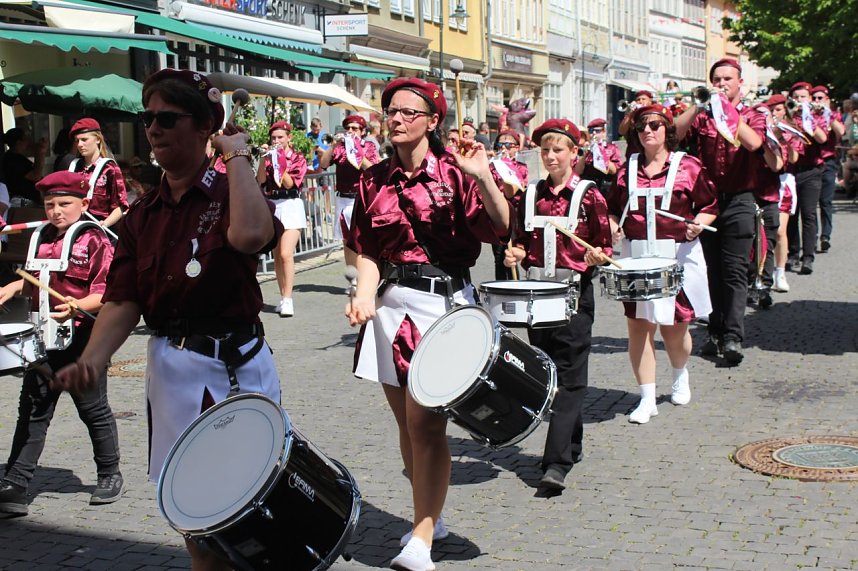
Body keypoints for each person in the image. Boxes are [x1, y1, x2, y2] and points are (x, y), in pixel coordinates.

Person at [51, 68, 283, 571]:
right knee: (193, 511)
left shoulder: (231, 190)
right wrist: (93, 360)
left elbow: (249, 237)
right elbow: (123, 299)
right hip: (175, 369)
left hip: (239, 363)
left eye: (168, 119)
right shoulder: (142, 215)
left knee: (251, 506)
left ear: (203, 128)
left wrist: (238, 154)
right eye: (148, 118)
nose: (153, 129)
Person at [345, 77, 511, 571]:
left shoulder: (455, 172)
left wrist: (482, 177)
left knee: (426, 424)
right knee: (406, 423)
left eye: (407, 113)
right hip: (392, 307)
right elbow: (367, 249)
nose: (394, 119)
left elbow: (500, 226)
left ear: (432, 121)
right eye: (389, 111)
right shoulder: (370, 179)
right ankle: (426, 514)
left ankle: (421, 539)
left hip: (443, 308)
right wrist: (362, 291)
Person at [0, 170, 122, 516]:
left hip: (85, 337)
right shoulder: (41, 237)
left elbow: (107, 292)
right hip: (43, 334)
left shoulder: (95, 239)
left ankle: (109, 473)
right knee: (34, 408)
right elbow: (33, 279)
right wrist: (12, 288)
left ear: (83, 204)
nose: (56, 211)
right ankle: (16, 483)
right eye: (50, 204)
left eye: (65, 204)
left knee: (92, 409)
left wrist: (76, 306)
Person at [503, 118, 612, 487]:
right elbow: (519, 240)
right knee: (550, 373)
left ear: (574, 154)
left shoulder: (590, 195)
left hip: (573, 297)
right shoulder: (528, 194)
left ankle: (556, 462)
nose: (550, 156)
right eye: (545, 150)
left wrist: (598, 256)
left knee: (570, 379)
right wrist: (514, 253)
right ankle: (573, 441)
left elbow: (604, 244)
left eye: (558, 150)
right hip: (536, 298)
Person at [604, 105, 718, 423]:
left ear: (668, 130)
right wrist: (614, 225)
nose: (648, 131)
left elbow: (709, 203)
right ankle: (647, 398)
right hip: (637, 255)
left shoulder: (689, 166)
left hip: (677, 254)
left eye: (655, 125)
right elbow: (614, 208)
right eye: (641, 126)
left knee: (674, 328)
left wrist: (698, 222)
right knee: (639, 328)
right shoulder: (627, 170)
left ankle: (680, 374)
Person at [674, 58, 779, 365]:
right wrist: (698, 105)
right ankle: (716, 330)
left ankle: (733, 336)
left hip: (741, 200)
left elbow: (754, 143)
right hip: (707, 203)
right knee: (712, 271)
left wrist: (726, 112)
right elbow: (675, 135)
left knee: (734, 271)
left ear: (739, 83)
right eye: (717, 79)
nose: (722, 84)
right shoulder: (703, 117)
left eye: (727, 79)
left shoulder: (752, 115)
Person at [256, 120, 308, 318]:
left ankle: (288, 299)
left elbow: (289, 184)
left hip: (291, 204)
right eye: (274, 138)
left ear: (289, 138)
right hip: (273, 204)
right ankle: (282, 296)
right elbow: (260, 180)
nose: (276, 141)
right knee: (277, 255)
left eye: (280, 137)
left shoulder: (297, 158)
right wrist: (263, 159)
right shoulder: (269, 158)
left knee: (286, 253)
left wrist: (280, 161)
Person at [319, 115, 380, 268]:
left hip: (360, 199)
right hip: (342, 198)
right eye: (348, 128)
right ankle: (352, 278)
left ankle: (363, 276)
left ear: (362, 131)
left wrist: (355, 149)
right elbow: (324, 164)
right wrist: (333, 145)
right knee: (346, 241)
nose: (350, 131)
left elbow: (371, 168)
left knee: (360, 240)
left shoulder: (368, 146)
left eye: (355, 128)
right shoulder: (340, 147)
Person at [785, 81, 829, 275]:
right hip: (792, 170)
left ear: (809, 99)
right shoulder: (788, 116)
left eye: (803, 97)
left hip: (812, 171)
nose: (799, 100)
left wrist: (806, 117)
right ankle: (793, 253)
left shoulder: (817, 116)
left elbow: (822, 138)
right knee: (792, 213)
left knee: (809, 214)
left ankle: (808, 257)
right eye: (796, 97)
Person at [68, 118, 129, 229]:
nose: (80, 144)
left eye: (84, 139)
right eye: (77, 141)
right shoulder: (73, 167)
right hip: (77, 230)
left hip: (102, 232)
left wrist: (105, 224)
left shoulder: (110, 168)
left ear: (98, 139)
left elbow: (121, 206)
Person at [490, 130, 529, 280]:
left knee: (511, 252)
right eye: (500, 145)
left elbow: (511, 192)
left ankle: (514, 284)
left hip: (515, 214)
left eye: (508, 144)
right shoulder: (493, 166)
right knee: (499, 255)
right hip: (497, 214)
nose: (503, 148)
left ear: (517, 147)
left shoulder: (521, 167)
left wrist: (505, 168)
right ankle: (501, 287)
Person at [810, 85, 845, 253]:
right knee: (810, 205)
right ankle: (812, 237)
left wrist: (828, 114)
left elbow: (841, 132)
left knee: (825, 201)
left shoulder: (833, 115)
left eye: (820, 98)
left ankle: (826, 236)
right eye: (814, 98)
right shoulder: (807, 115)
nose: (817, 101)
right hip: (811, 163)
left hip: (828, 162)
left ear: (826, 100)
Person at [575, 118, 623, 192]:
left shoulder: (612, 148)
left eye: (597, 131)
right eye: (591, 131)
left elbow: (614, 170)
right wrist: (586, 154)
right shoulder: (586, 149)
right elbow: (578, 171)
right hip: (588, 189)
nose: (594, 133)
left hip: (607, 188)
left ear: (604, 132)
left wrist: (600, 152)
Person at [2, 127, 46, 204]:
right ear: (19, 142)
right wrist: (40, 152)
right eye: (26, 139)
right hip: (23, 202)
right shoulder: (14, 159)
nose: (29, 142)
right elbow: (36, 175)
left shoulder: (12, 157)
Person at [618, 90, 655, 159]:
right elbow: (621, 131)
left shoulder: (654, 113)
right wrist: (630, 114)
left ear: (650, 101)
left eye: (643, 99)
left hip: (651, 154)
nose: (641, 101)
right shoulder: (632, 115)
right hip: (633, 154)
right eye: (638, 99)